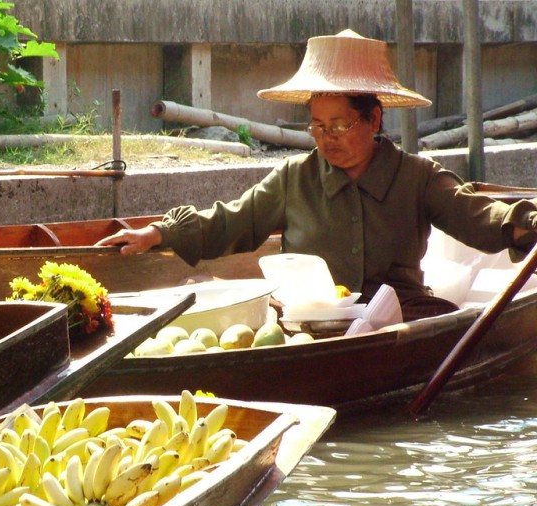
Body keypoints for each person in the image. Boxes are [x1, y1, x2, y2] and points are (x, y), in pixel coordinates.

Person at [96, 29, 537, 321]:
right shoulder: (294, 177)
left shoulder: (416, 176)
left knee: (428, 324)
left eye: (341, 125)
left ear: (374, 120)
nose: (327, 139)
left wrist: (525, 225)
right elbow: (232, 220)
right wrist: (158, 233)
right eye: (318, 127)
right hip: (311, 316)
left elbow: (477, 214)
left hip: (401, 313)